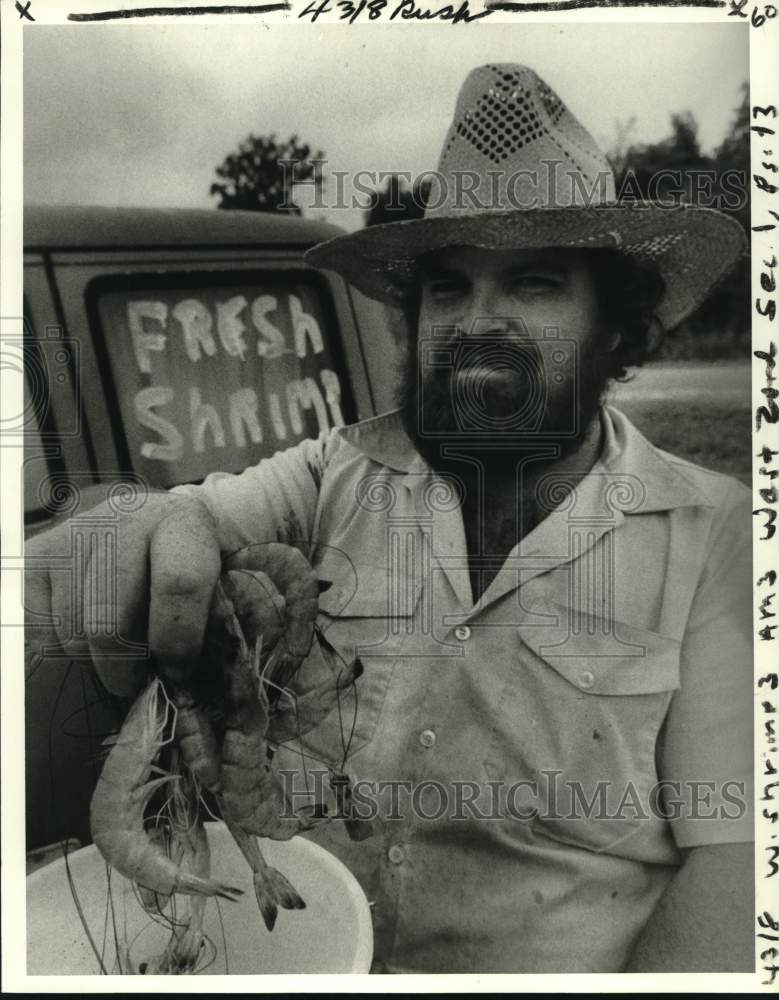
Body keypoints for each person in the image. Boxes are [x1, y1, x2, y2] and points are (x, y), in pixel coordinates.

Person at [26, 64, 753, 973]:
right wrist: (119, 525)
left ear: (615, 324)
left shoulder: (717, 534)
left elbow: (732, 862)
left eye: (532, 284)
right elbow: (180, 523)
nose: (475, 323)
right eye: (447, 289)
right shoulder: (339, 469)